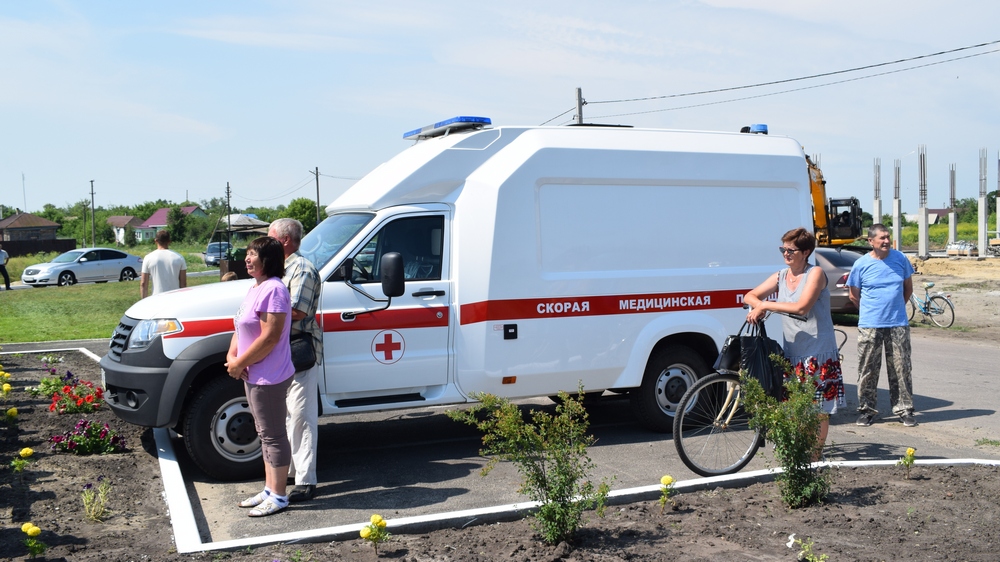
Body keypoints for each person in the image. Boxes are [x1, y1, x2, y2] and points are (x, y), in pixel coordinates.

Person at [743, 227, 845, 459]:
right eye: (783, 249)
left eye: (791, 250)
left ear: (806, 251)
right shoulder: (781, 275)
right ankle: (798, 451)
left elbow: (801, 307)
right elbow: (749, 295)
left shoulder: (815, 274)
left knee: (818, 409)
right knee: (793, 407)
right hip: (793, 351)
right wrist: (757, 303)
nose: (786, 254)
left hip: (817, 351)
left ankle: (814, 456)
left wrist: (766, 305)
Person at [226, 236, 295, 517]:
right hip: (252, 373)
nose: (247, 258)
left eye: (253, 253)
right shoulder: (255, 287)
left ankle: (279, 495)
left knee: (274, 435)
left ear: (269, 259)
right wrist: (233, 358)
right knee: (265, 434)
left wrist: (239, 362)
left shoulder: (275, 290)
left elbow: (270, 337)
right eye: (247, 253)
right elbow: (241, 327)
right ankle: (269, 489)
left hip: (269, 376)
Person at [268, 218, 322, 503]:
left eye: (271, 238)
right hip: (283, 350)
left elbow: (298, 311)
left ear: (285, 240)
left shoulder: (301, 269)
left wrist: (263, 316)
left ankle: (305, 481)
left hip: (298, 349)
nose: (266, 243)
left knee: (301, 415)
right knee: (287, 414)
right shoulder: (281, 270)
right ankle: (288, 472)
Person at [846, 224, 916, 427]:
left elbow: (908, 289)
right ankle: (866, 410)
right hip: (870, 325)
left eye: (888, 237)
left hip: (898, 324)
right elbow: (853, 295)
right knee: (867, 369)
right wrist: (872, 311)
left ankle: (904, 409)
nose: (886, 241)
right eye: (882, 238)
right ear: (871, 241)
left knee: (901, 369)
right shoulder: (861, 264)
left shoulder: (900, 259)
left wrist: (893, 309)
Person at [140, 230, 187, 298]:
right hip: (175, 298)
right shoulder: (179, 258)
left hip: (157, 297)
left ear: (156, 241)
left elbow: (143, 283)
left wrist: (143, 301)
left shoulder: (148, 258)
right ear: (169, 241)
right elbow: (183, 284)